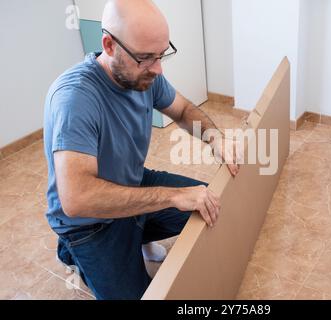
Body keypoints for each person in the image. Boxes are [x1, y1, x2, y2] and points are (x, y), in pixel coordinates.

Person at [43, 0, 239, 300]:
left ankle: (136, 232)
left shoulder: (145, 77)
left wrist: (216, 138)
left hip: (132, 184)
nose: (158, 69)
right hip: (89, 223)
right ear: (109, 45)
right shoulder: (75, 99)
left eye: (161, 55)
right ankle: (74, 252)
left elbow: (184, 109)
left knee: (213, 205)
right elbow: (77, 198)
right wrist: (172, 196)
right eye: (146, 58)